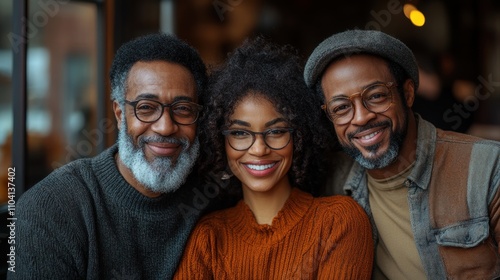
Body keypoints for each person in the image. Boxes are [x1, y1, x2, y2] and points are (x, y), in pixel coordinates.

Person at [9, 33, 209, 279]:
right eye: (146, 107)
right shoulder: (50, 209)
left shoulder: (215, 200)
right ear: (119, 113)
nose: (165, 127)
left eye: (183, 109)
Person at [304, 29, 500, 279]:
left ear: (407, 94)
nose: (362, 117)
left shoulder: (488, 168)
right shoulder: (330, 184)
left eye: (376, 96)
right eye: (341, 107)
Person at [174, 37, 374, 279]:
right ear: (220, 141)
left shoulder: (338, 222)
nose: (259, 149)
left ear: (299, 138)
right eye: (239, 133)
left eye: (277, 131)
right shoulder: (208, 238)